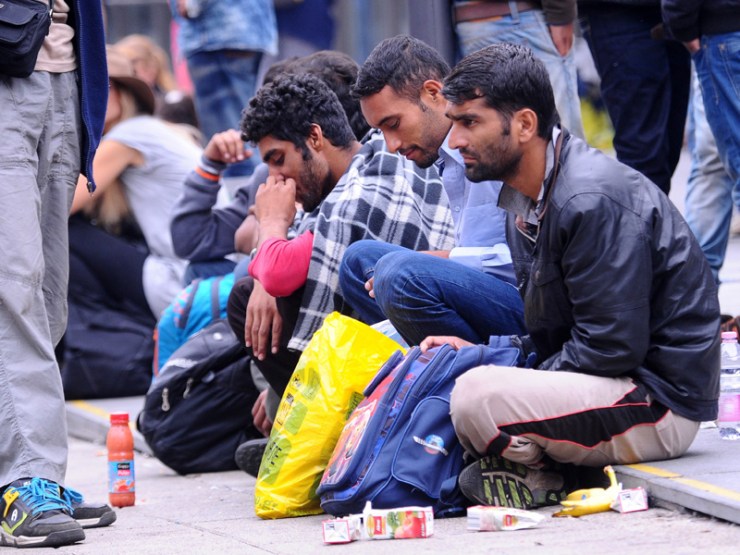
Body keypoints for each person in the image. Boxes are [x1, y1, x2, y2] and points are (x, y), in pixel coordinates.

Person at [428, 43, 720, 510]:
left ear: (524, 124)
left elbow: (610, 347)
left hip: (658, 404)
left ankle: (544, 473)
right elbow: (560, 333)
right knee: (461, 377)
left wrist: (516, 377)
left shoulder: (589, 198)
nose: (456, 140)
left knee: (476, 398)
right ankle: (538, 467)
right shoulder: (523, 199)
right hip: (612, 382)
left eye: (469, 122)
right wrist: (487, 353)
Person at [225, 73, 455, 402]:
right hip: (397, 333)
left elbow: (278, 273)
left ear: (315, 138)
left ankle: (317, 424)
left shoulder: (368, 185)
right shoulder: (340, 188)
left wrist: (272, 223)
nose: (275, 178)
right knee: (250, 290)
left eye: (278, 160)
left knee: (246, 296)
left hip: (425, 335)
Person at [0, 0, 115, 549]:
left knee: (47, 297)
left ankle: (31, 469)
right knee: (12, 288)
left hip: (63, 76)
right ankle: (24, 476)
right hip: (6, 76)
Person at [338, 35, 525, 346]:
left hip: (526, 301)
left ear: (433, 93)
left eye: (393, 124)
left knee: (398, 275)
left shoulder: (493, 140)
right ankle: (419, 352)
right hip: (482, 288)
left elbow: (530, 263)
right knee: (358, 260)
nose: (391, 145)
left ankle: (469, 367)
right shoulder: (442, 152)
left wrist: (444, 260)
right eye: (380, 131)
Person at [170, 51, 370, 281]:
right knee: (200, 271)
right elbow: (190, 239)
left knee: (243, 274)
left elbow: (276, 275)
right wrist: (210, 166)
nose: (277, 175)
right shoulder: (269, 177)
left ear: (318, 132)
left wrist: (265, 236)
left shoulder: (360, 182)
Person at [578, 0, 691, 194]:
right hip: (616, 13)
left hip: (673, 11)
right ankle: (644, 222)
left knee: (669, 148)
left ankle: (649, 219)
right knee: (643, 154)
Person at [662, 0, 740, 270]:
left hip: (724, 32)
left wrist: (681, 22)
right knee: (714, 163)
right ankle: (700, 295)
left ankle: (699, 298)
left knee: (715, 163)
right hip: (724, 31)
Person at [169, 0, 277, 176]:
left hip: (215, 34)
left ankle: (244, 199)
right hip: (238, 31)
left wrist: (192, 4)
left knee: (230, 148)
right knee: (241, 137)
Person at [452, 0, 585, 138]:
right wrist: (561, 15)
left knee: (499, 141)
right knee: (560, 144)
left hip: (469, 23)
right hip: (518, 19)